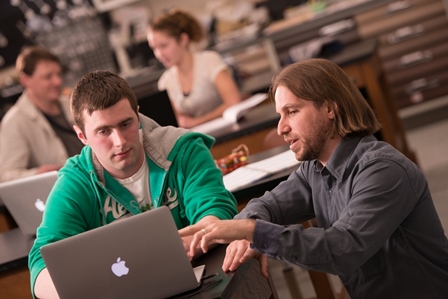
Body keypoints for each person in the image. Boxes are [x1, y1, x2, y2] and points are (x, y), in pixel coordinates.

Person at [180, 59, 448, 298]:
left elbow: (343, 249)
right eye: (280, 115)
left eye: (292, 112)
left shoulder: (383, 170)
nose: (281, 128)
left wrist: (252, 231)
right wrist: (243, 231)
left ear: (330, 109)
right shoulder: (315, 169)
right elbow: (269, 205)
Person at [28, 70, 238, 298]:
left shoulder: (184, 149)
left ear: (138, 116)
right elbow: (41, 261)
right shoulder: (76, 182)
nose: (119, 141)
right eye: (104, 131)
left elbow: (216, 210)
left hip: (202, 284)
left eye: (126, 124)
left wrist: (192, 243)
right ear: (82, 137)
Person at [0, 46, 83, 182]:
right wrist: (39, 174)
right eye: (48, 77)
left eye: (59, 74)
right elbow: (5, 177)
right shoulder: (15, 122)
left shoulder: (71, 103)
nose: (57, 81)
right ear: (25, 80)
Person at [147, 9, 241, 128]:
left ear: (183, 39)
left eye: (164, 46)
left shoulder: (209, 60)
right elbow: (177, 122)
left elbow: (233, 101)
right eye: (154, 48)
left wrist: (198, 122)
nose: (159, 54)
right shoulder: (165, 82)